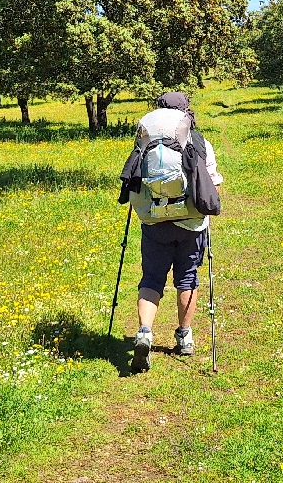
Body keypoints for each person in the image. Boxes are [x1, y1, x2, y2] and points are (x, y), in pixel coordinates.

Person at [117, 92, 222, 373]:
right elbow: (212, 184)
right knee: (187, 278)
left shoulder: (144, 142)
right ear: (186, 113)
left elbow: (133, 182)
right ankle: (184, 336)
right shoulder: (199, 142)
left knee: (151, 278)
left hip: (154, 223)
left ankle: (144, 332)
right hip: (191, 222)